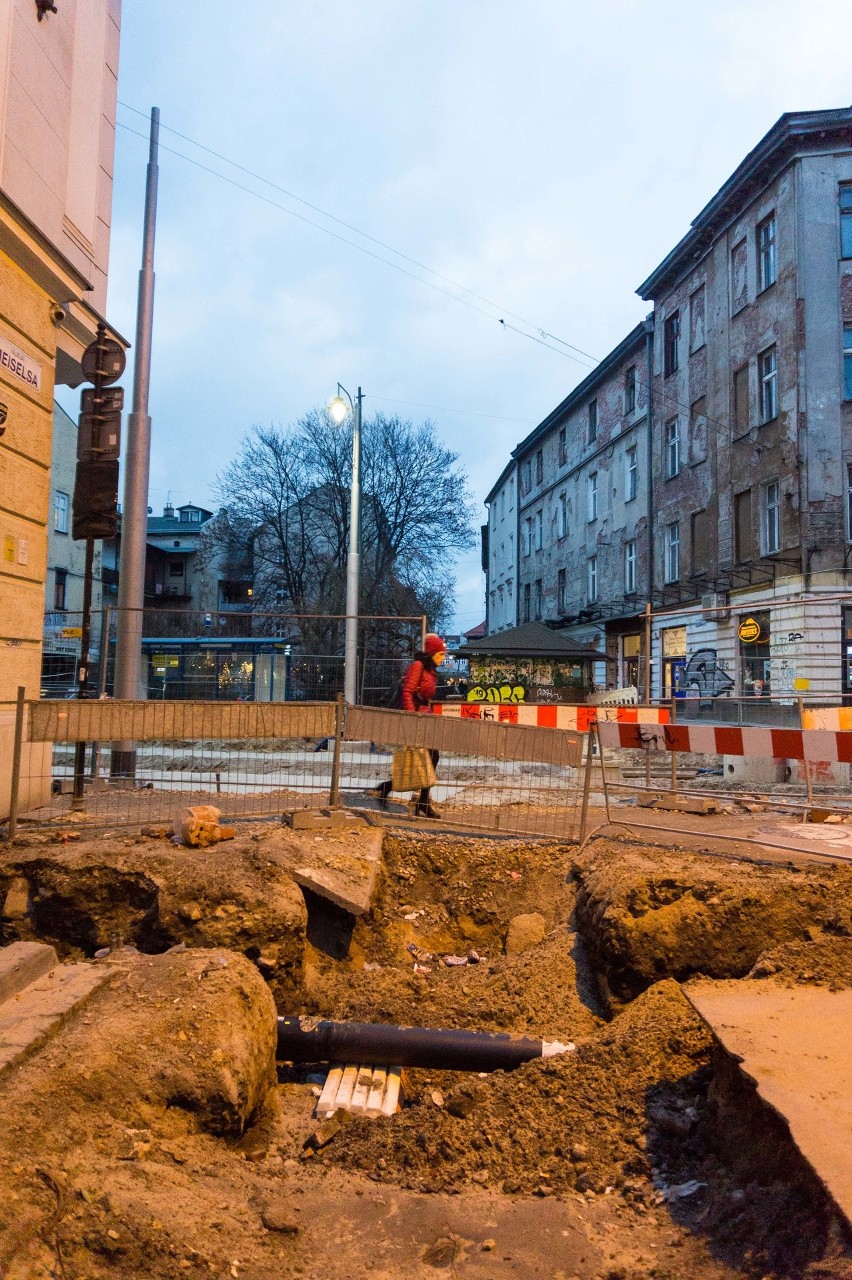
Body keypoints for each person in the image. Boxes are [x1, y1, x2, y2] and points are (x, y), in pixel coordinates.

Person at [374, 633, 446, 819]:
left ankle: (394, 790)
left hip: (423, 719)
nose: (443, 658)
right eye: (440, 654)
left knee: (428, 758)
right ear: (431, 653)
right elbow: (407, 691)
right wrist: (411, 718)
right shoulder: (418, 666)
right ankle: (409, 796)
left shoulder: (430, 670)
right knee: (423, 758)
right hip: (415, 720)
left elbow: (425, 695)